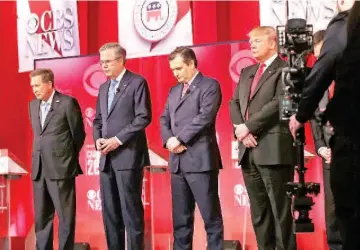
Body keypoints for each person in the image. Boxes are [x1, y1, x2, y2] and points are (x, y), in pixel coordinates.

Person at [229, 26, 296, 250]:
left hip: (274, 149)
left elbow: (281, 104)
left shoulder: (287, 68)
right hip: (248, 151)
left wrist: (249, 126)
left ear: (272, 43)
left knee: (280, 212)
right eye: (251, 42)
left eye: (257, 41)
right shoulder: (248, 72)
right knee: (259, 214)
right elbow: (234, 103)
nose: (252, 45)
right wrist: (241, 130)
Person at [160, 46, 224, 250]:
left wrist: (180, 139)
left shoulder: (209, 85)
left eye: (178, 68)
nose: (175, 73)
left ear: (191, 64)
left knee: (210, 218)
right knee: (181, 221)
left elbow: (204, 117)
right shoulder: (173, 90)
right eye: (172, 70)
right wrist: (169, 139)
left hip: (200, 161)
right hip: (177, 163)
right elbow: (164, 119)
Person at [93, 42, 152, 250]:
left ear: (120, 60)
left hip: (128, 156)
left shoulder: (137, 82)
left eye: (108, 61)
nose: (104, 66)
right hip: (106, 159)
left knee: (131, 213)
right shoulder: (103, 87)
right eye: (102, 62)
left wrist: (117, 140)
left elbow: (143, 117)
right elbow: (98, 120)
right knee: (110, 215)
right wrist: (98, 139)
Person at [29, 68, 85, 250]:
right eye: (32, 86)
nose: (34, 89)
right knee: (41, 218)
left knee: (65, 217)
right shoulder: (33, 105)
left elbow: (78, 135)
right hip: (39, 169)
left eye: (37, 85)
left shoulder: (67, 103)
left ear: (49, 84)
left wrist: (66, 157)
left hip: (61, 168)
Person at [310, 30, 342, 250]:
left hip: (351, 151)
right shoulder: (318, 79)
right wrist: (321, 147)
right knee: (332, 208)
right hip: (329, 154)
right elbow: (314, 119)